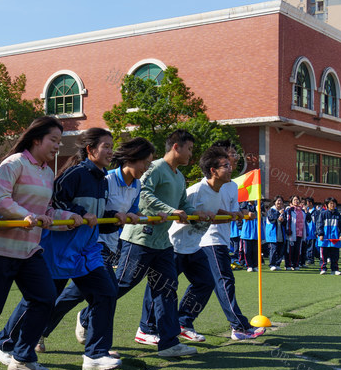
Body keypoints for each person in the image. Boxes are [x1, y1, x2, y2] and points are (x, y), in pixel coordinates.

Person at [0, 117, 83, 370]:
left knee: (45, 297)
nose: (57, 146)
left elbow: (43, 212)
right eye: (54, 140)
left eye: (60, 141)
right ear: (37, 139)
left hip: (29, 249)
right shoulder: (13, 163)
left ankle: (22, 357)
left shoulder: (47, 172)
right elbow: (0, 199)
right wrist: (27, 215)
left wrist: (66, 220)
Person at [0, 128, 129, 370]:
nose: (111, 151)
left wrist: (113, 217)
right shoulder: (75, 173)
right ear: (90, 150)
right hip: (59, 250)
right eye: (106, 146)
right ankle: (4, 341)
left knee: (106, 292)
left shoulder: (103, 179)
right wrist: (78, 212)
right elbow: (54, 203)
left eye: (112, 146)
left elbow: (94, 216)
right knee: (40, 300)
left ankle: (95, 354)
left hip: (86, 251)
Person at [40, 137, 154, 351]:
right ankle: (97, 347)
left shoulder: (137, 185)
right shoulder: (106, 178)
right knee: (106, 291)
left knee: (75, 294)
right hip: (92, 243)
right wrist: (90, 215)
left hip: (108, 244)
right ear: (131, 158)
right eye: (144, 163)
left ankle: (46, 330)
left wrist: (135, 215)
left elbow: (129, 210)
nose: (146, 168)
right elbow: (89, 209)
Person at [112, 129, 197, 357]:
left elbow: (183, 204)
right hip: (139, 238)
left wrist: (198, 214)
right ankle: (88, 317)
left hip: (162, 243)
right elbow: (144, 195)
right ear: (176, 147)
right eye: (189, 149)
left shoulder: (179, 176)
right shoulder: (155, 167)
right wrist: (171, 211)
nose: (191, 154)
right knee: (123, 283)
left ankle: (169, 343)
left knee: (167, 288)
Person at [171, 146, 265, 341]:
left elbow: (226, 212)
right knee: (222, 282)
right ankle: (238, 326)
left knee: (206, 282)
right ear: (214, 167)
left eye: (233, 162)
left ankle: (183, 320)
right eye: (228, 162)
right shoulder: (200, 189)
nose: (232, 166)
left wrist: (237, 215)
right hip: (205, 240)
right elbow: (191, 214)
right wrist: (230, 216)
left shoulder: (230, 185)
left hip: (218, 239)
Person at [317, 197, 341, 275]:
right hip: (325, 238)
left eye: (334, 203)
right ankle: (323, 268)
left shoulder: (338, 215)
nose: (332, 205)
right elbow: (319, 225)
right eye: (330, 203)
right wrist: (321, 234)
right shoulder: (323, 214)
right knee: (323, 255)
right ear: (326, 205)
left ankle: (334, 269)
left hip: (335, 238)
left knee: (335, 255)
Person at [283, 195, 304, 270]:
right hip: (291, 233)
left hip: (299, 233)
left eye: (297, 200)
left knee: (297, 249)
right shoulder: (290, 210)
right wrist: (288, 229)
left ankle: (296, 264)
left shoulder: (302, 210)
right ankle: (288, 264)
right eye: (294, 200)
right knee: (290, 249)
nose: (296, 201)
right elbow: (288, 220)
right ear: (291, 202)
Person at [265, 196, 286, 270]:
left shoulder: (283, 211)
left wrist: (283, 220)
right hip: (273, 233)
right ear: (274, 202)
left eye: (281, 201)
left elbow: (285, 222)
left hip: (281, 233)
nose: (279, 202)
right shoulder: (271, 210)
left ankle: (278, 264)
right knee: (273, 249)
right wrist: (278, 214)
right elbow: (271, 219)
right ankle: (272, 264)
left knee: (280, 250)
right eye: (278, 201)